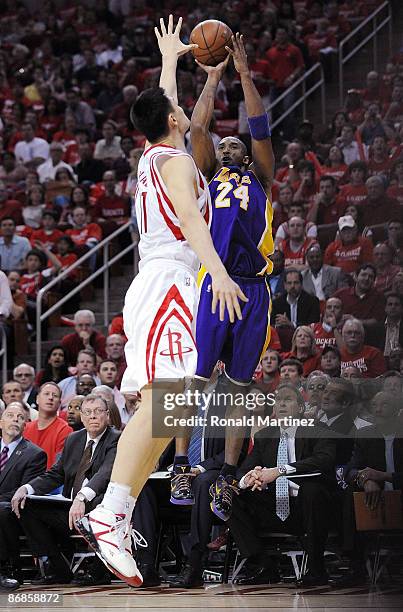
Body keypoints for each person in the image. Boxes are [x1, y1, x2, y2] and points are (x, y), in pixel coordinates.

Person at [76, 16, 245, 587]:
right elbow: (194, 220)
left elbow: (164, 109)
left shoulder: (157, 153)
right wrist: (219, 272)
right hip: (173, 277)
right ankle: (111, 509)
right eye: (176, 110)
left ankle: (114, 509)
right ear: (172, 122)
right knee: (168, 398)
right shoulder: (173, 162)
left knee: (172, 403)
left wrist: (172, 60)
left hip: (164, 278)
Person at [168, 31, 275, 520]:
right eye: (224, 143)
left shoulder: (261, 177)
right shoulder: (208, 175)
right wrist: (212, 77)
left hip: (253, 288)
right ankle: (179, 467)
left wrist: (246, 75)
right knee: (195, 377)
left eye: (236, 144)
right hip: (216, 281)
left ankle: (228, 479)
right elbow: (196, 129)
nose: (228, 145)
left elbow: (260, 125)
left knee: (238, 386)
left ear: (246, 156)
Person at [228, 383, 336, 586]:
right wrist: (249, 478)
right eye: (278, 400)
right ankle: (263, 564)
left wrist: (279, 471)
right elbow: (243, 470)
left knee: (312, 490)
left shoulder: (317, 430)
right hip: (274, 506)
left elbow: (324, 461)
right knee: (230, 495)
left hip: (308, 508)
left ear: (301, 408)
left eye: (288, 399)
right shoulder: (264, 435)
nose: (282, 404)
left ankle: (316, 569)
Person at [11, 394, 120, 586]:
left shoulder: (117, 439)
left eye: (98, 412)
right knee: (26, 505)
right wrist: (26, 488)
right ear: (82, 417)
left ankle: (99, 571)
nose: (93, 416)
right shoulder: (73, 439)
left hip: (98, 505)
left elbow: (106, 473)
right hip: (69, 508)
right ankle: (59, 568)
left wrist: (81, 498)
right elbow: (55, 474)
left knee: (101, 502)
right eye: (87, 412)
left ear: (107, 415)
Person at [0, 402, 47, 589]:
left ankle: (9, 569)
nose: (15, 419)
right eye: (10, 415)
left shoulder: (35, 454)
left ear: (25, 424)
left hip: (16, 511)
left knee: (1, 511)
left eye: (20, 417)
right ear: (1, 422)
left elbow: (22, 491)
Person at [23, 382, 72, 468]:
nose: (50, 398)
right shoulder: (25, 428)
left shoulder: (65, 430)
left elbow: (59, 467)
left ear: (59, 403)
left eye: (55, 395)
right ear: (37, 399)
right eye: (46, 394)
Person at [334, 263, 385, 331]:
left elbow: (378, 321)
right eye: (363, 275)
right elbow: (329, 314)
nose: (367, 278)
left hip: (369, 336)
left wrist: (354, 320)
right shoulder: (341, 294)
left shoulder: (379, 297)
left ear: (374, 280)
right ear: (355, 277)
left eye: (370, 276)